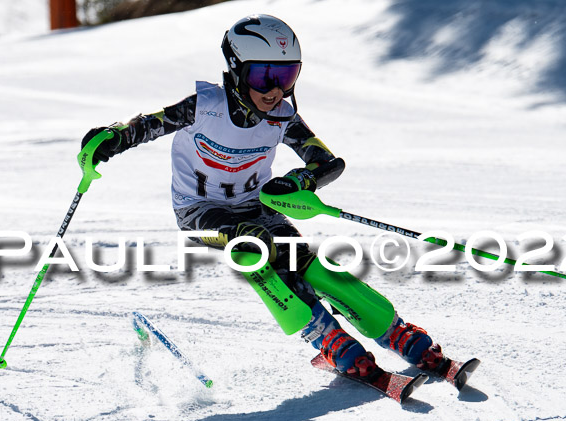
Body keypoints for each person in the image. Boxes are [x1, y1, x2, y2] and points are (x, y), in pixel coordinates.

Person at [82, 14, 464, 383]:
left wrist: (301, 179)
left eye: (285, 75)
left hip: (255, 206)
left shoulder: (281, 116)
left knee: (308, 264)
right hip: (201, 214)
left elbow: (327, 162)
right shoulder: (204, 105)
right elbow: (149, 125)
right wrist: (114, 138)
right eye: (263, 75)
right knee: (255, 248)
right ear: (236, 70)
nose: (274, 89)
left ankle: (395, 332)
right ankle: (327, 339)